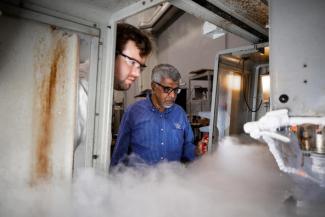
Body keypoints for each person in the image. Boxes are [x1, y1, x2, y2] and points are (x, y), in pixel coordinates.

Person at [75, 23, 152, 169]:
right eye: (131, 62)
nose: (136, 73)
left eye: (140, 67)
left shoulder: (100, 90)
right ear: (110, 52)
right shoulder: (79, 91)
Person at [110, 64, 196, 167]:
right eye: (167, 89)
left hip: (172, 180)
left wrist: (197, 151)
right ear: (154, 87)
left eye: (176, 90)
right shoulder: (133, 112)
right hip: (140, 181)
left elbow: (187, 146)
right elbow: (120, 154)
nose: (173, 95)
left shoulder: (180, 113)